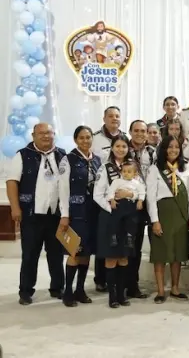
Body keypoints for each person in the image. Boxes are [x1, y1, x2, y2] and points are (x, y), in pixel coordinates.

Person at [7, 123, 66, 305]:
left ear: (54, 134)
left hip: (55, 214)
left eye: (49, 133)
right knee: (30, 255)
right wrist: (15, 208)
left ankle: (57, 288)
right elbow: (12, 182)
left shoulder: (62, 155)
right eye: (41, 133)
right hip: (31, 214)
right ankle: (25, 291)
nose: (46, 136)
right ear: (33, 135)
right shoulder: (22, 155)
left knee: (56, 254)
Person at [146, 136, 189, 304]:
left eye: (176, 147)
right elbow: (151, 198)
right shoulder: (155, 169)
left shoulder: (186, 167)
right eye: (170, 147)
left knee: (177, 254)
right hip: (163, 215)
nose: (173, 150)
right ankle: (160, 291)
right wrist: (155, 221)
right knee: (160, 254)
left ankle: (175, 288)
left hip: (181, 215)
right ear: (164, 149)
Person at [58, 126, 102, 307]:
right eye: (81, 138)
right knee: (74, 251)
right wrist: (64, 215)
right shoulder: (67, 160)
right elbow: (63, 189)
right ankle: (68, 290)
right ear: (76, 140)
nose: (85, 141)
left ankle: (80, 289)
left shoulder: (98, 160)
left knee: (86, 252)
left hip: (94, 212)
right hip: (75, 213)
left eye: (88, 137)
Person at [93, 135, 137, 308]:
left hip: (128, 220)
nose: (121, 149)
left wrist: (130, 195)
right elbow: (97, 194)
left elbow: (141, 191)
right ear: (112, 148)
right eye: (117, 146)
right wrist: (112, 207)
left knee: (124, 258)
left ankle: (122, 294)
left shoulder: (133, 167)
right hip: (110, 218)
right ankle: (112, 296)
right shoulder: (105, 168)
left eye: (124, 146)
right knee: (111, 258)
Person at [127, 120, 154, 298]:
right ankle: (126, 284)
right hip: (130, 203)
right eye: (136, 130)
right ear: (130, 132)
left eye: (143, 131)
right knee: (130, 246)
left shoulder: (153, 152)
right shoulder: (122, 148)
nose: (139, 134)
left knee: (139, 247)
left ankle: (133, 285)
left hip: (149, 202)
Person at [106, 161, 145, 249]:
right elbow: (111, 191)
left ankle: (130, 237)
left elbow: (142, 192)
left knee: (132, 221)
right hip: (119, 204)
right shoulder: (117, 182)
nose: (126, 174)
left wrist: (140, 201)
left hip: (131, 204)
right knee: (114, 220)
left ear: (135, 174)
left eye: (129, 172)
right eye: (124, 171)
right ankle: (113, 236)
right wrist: (111, 200)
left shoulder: (137, 183)